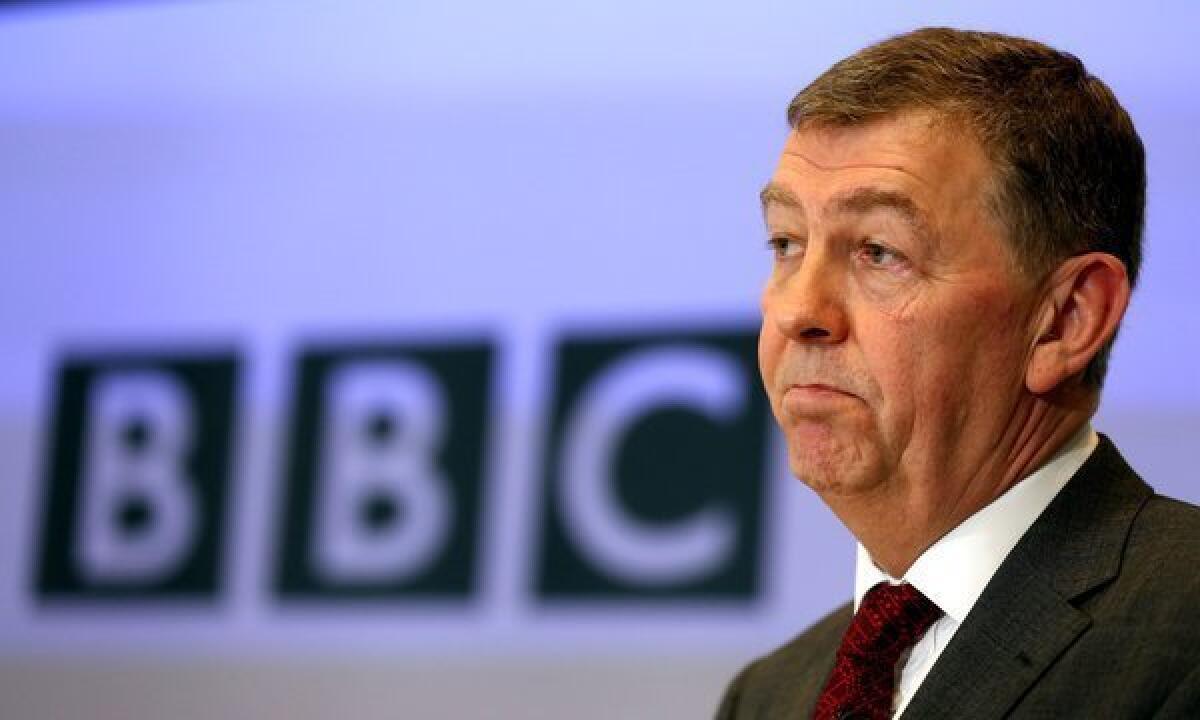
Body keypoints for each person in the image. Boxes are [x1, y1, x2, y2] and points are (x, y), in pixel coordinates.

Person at [716, 27, 1200, 719]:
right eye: (786, 243)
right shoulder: (768, 696)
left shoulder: (1181, 631)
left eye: (879, 251)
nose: (797, 311)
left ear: (1067, 319)